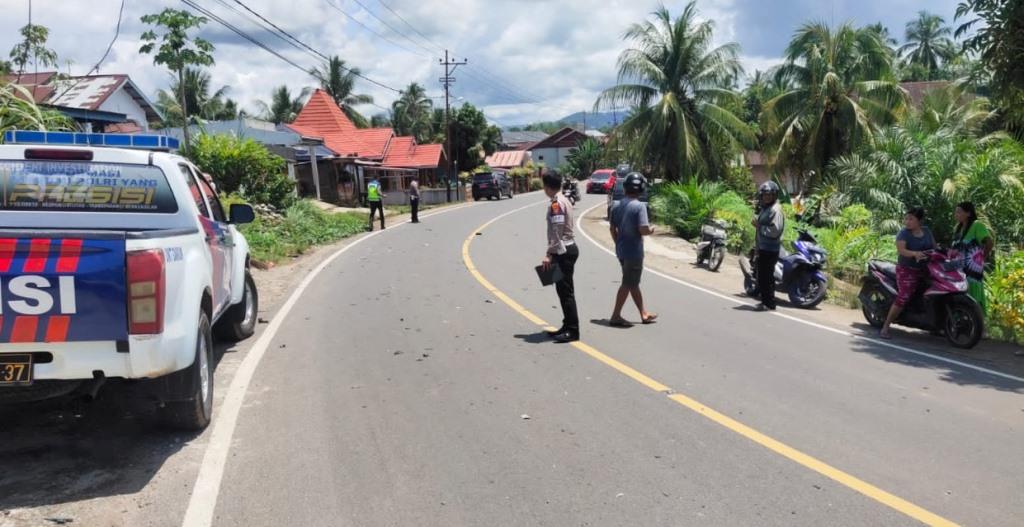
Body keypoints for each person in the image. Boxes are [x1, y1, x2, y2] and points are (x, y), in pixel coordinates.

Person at [609, 172, 657, 327]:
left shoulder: (616, 206)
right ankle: (615, 316)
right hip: (634, 252)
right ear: (641, 188)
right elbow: (643, 229)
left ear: (625, 188)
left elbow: (612, 229)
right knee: (628, 283)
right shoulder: (640, 206)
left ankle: (643, 313)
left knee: (633, 282)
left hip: (622, 251)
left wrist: (618, 243)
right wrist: (651, 230)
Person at [880, 207, 935, 339]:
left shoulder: (926, 231)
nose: (907, 221)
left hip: (926, 269)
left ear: (919, 221)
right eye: (906, 218)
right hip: (906, 270)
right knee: (904, 296)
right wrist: (914, 254)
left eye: (911, 219)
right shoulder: (903, 233)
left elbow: (934, 247)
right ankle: (885, 327)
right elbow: (902, 250)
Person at [541, 172, 579, 343]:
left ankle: (572, 330)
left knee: (566, 292)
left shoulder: (556, 203)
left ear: (547, 187)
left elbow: (557, 231)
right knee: (562, 291)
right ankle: (566, 325)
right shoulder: (564, 199)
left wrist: (549, 254)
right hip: (566, 249)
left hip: (563, 251)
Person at [951, 201, 994, 312]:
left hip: (972, 271)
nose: (956, 214)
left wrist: (982, 257)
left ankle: (978, 325)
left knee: (972, 298)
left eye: (959, 212)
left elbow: (989, 242)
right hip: (959, 270)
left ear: (968, 213)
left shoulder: (977, 225)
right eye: (956, 212)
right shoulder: (958, 229)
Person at [751, 181, 785, 311]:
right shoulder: (766, 208)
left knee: (767, 277)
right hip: (763, 247)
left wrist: (759, 226)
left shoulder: (775, 210)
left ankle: (769, 303)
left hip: (770, 249)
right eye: (765, 195)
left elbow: (775, 231)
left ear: (775, 196)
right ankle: (765, 301)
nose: (767, 197)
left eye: (770, 195)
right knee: (763, 277)